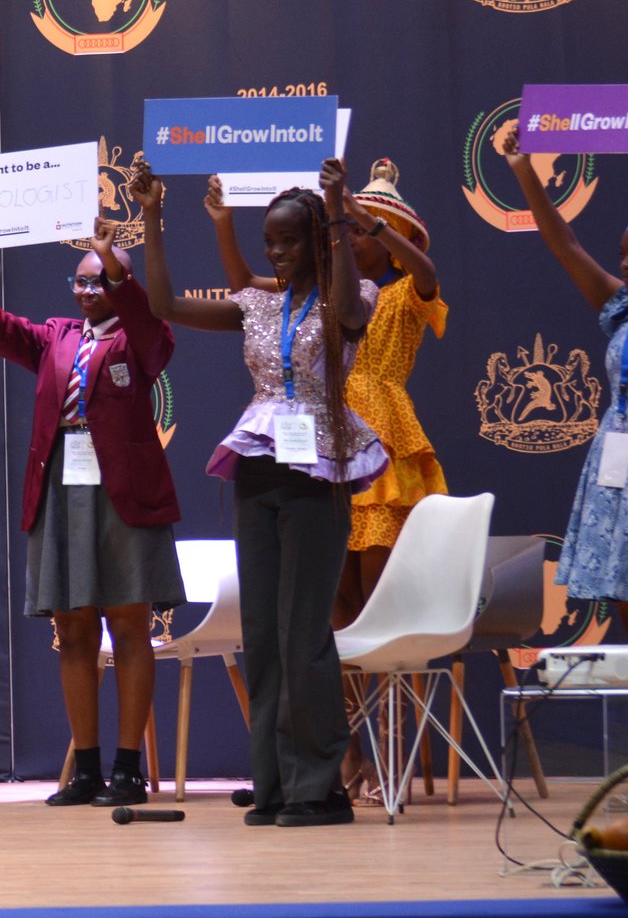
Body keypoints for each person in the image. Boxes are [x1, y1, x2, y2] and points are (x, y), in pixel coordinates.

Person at [139, 160, 386, 828]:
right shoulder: (255, 304)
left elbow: (346, 313)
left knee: (304, 632)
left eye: (288, 242)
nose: (275, 253)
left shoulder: (352, 294)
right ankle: (275, 785)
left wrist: (335, 209)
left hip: (319, 472)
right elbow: (163, 305)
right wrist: (154, 216)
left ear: (317, 243)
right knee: (263, 635)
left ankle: (322, 787)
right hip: (258, 468)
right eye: (269, 243)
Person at [206, 164, 445, 804]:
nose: (355, 243)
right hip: (313, 446)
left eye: (370, 236)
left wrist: (362, 220)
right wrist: (226, 224)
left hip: (377, 446)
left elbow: (423, 271)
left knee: (383, 617)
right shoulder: (306, 292)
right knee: (326, 620)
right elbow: (247, 290)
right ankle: (345, 759)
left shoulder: (388, 295)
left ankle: (391, 762)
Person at [0, 217, 184, 808]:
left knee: (129, 626)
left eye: (99, 281)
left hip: (124, 493)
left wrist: (121, 273)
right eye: (79, 281)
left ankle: (129, 769)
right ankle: (86, 769)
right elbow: (1, 332)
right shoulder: (57, 336)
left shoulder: (141, 337)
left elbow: (154, 341)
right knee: (72, 630)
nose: (85, 291)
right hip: (62, 490)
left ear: (122, 283)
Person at [509, 129, 628, 611]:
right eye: (624, 254)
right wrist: (524, 170)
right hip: (618, 453)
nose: (626, 264)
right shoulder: (622, 307)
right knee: (620, 589)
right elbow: (567, 246)